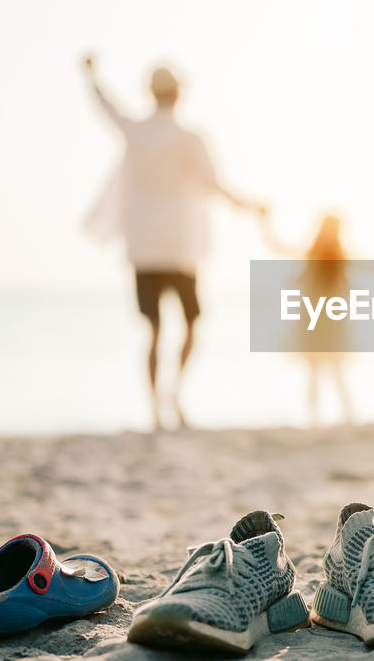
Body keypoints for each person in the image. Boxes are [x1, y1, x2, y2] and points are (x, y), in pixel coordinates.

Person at [82, 56, 265, 430]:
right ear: (179, 93)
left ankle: (155, 408)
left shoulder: (136, 131)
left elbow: (108, 107)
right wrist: (247, 205)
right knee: (192, 325)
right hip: (181, 248)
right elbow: (215, 184)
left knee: (153, 331)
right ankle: (173, 393)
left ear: (151, 92)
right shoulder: (189, 137)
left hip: (144, 248)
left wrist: (91, 75)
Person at [258, 213, 356, 426]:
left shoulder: (339, 256)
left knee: (333, 368)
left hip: (330, 320)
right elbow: (278, 246)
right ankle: (316, 416)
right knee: (316, 369)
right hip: (316, 319)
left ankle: (345, 415)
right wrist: (264, 224)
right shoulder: (314, 254)